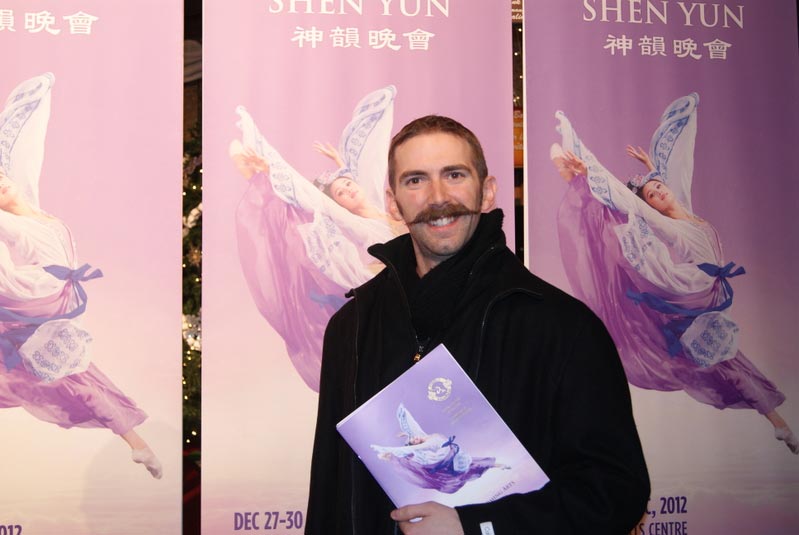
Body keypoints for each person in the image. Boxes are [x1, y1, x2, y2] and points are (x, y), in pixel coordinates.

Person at [306, 115, 650, 534]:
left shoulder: (562, 328)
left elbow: (615, 492)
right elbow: (329, 490)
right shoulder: (352, 328)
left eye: (454, 175)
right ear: (393, 203)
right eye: (416, 180)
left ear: (486, 192)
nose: (437, 197)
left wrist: (477, 526)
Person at [551, 93, 797, 455]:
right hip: (689, 286)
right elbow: (633, 201)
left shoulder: (686, 209)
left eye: (658, 188)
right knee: (719, 361)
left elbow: (675, 175)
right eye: (653, 195)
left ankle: (780, 425)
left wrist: (651, 165)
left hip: (709, 292)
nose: (659, 194)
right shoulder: (667, 224)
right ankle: (575, 175)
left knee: (730, 363)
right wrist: (591, 169)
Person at [0, 73, 161, 478]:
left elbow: (26, 154)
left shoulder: (32, 204)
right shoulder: (10, 224)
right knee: (75, 378)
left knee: (82, 378)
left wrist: (39, 96)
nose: (2, 185)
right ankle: (138, 445)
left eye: (2, 180)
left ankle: (138, 445)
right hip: (36, 295)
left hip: (57, 301)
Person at [230, 86, 405, 391]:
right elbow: (317, 200)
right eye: (341, 193)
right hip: (389, 297)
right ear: (340, 205)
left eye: (348, 184)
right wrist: (271, 168)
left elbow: (366, 170)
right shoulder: (356, 225)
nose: (348, 189)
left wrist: (340, 163)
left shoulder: (383, 205)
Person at [370, 403, 507, 495]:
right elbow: (411, 445)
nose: (415, 438)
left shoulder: (424, 438)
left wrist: (405, 427)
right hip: (444, 458)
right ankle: (389, 456)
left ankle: (497, 465)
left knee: (472, 464)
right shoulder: (425, 443)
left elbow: (413, 428)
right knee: (470, 466)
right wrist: (385, 449)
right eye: (413, 441)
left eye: (413, 438)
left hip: (448, 456)